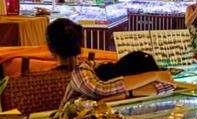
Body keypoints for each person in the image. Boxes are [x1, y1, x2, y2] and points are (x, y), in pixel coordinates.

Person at [47, 18, 175, 103]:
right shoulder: (80, 72)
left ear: (51, 48)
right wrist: (154, 76)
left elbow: (169, 84)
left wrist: (128, 94)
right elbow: (101, 90)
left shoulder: (92, 68)